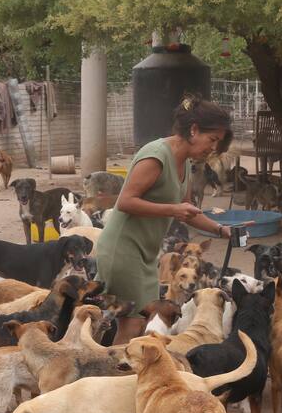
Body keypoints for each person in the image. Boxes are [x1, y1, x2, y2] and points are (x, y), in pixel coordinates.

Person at [95, 97, 234, 321]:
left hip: (147, 255)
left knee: (145, 322)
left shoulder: (186, 163)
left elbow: (187, 212)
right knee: (134, 323)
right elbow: (125, 201)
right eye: (212, 139)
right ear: (194, 130)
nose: (214, 147)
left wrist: (221, 229)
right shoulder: (156, 155)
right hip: (123, 250)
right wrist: (172, 209)